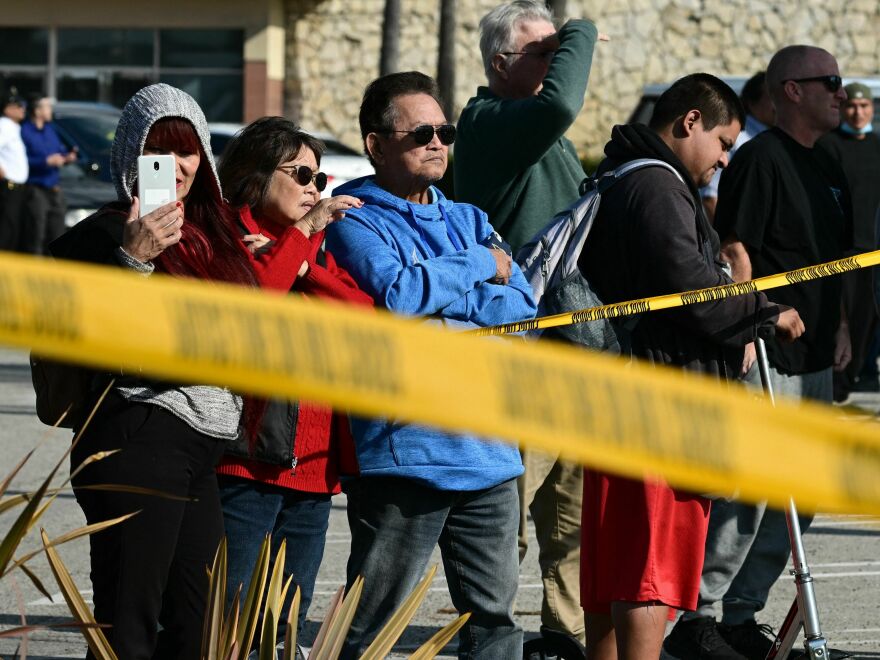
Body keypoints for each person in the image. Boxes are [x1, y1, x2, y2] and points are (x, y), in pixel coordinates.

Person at [577, 73, 804, 660]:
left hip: (623, 395)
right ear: (690, 123)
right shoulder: (656, 185)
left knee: (617, 565)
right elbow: (690, 287)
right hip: (660, 404)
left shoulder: (625, 173)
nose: (726, 160)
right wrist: (764, 310)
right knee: (648, 567)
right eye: (725, 143)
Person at [324, 71, 537, 659]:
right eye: (422, 133)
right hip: (406, 453)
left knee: (495, 622)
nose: (439, 142)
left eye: (445, 130)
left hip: (490, 451)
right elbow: (399, 296)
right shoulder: (356, 219)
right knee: (370, 627)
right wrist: (478, 267)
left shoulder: (468, 216)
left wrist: (445, 294)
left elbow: (521, 306)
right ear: (376, 144)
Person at [49, 83, 258, 659]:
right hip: (137, 435)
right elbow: (106, 349)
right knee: (129, 625)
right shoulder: (98, 237)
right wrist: (133, 262)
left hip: (202, 448)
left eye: (188, 149)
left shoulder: (213, 235)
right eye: (158, 152)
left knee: (199, 625)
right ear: (129, 159)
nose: (178, 166)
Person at [666, 47, 853, 660]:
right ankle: (701, 614)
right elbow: (737, 249)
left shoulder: (828, 159)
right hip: (771, 349)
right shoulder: (759, 158)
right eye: (829, 82)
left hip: (821, 348)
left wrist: (845, 322)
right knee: (748, 490)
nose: (841, 92)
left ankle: (741, 614)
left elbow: (840, 255)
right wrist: (749, 325)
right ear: (791, 91)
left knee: (799, 494)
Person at [454, 2, 603, 645]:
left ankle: (564, 634)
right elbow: (562, 104)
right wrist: (583, 31)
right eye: (544, 53)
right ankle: (490, 636)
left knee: (571, 516)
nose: (557, 63)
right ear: (500, 64)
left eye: (557, 51)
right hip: (521, 353)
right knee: (507, 514)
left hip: (569, 348)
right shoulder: (490, 121)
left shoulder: (541, 134)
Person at [214, 116, 371, 643]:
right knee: (226, 619)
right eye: (301, 174)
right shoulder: (226, 235)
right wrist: (301, 237)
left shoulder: (313, 248)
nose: (314, 189)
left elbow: (364, 313)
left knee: (285, 628)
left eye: (320, 179)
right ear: (257, 174)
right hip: (246, 462)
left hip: (315, 471)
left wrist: (305, 265)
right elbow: (258, 298)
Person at [818, 82, 880, 401]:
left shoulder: (877, 145)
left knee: (868, 322)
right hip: (843, 250)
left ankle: (853, 376)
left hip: (875, 251)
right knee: (842, 320)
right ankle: (837, 381)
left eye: (864, 106)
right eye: (852, 106)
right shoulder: (829, 146)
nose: (858, 112)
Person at [700, 71, 775, 223]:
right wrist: (723, 242)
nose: (779, 103)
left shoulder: (773, 140)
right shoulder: (736, 139)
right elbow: (710, 196)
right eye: (772, 96)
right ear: (752, 102)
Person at [21, 93, 77, 254]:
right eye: (46, 106)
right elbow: (21, 162)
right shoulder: (24, 132)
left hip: (55, 189)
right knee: (35, 236)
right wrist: (45, 162)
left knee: (58, 236)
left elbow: (59, 150)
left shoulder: (50, 130)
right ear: (37, 111)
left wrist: (67, 157)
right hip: (36, 189)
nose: (50, 110)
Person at [0, 88, 28, 251]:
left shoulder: (13, 127)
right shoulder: (4, 125)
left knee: (13, 231)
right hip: (8, 186)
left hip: (17, 188)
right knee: (6, 230)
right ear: (7, 108)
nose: (22, 108)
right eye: (18, 105)